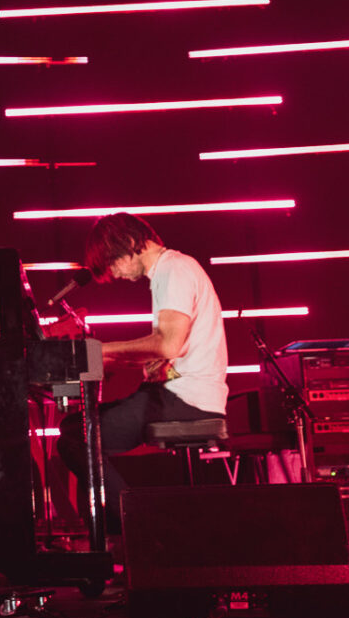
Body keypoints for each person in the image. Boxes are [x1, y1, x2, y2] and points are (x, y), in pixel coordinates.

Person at [56, 213, 227, 532]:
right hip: (182, 392)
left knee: (77, 437)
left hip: (186, 399)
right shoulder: (173, 270)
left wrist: (101, 351)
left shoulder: (173, 270)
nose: (116, 274)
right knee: (75, 428)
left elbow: (167, 344)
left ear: (130, 243)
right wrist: (117, 362)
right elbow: (165, 353)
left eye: (113, 263)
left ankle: (141, 529)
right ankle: (112, 538)